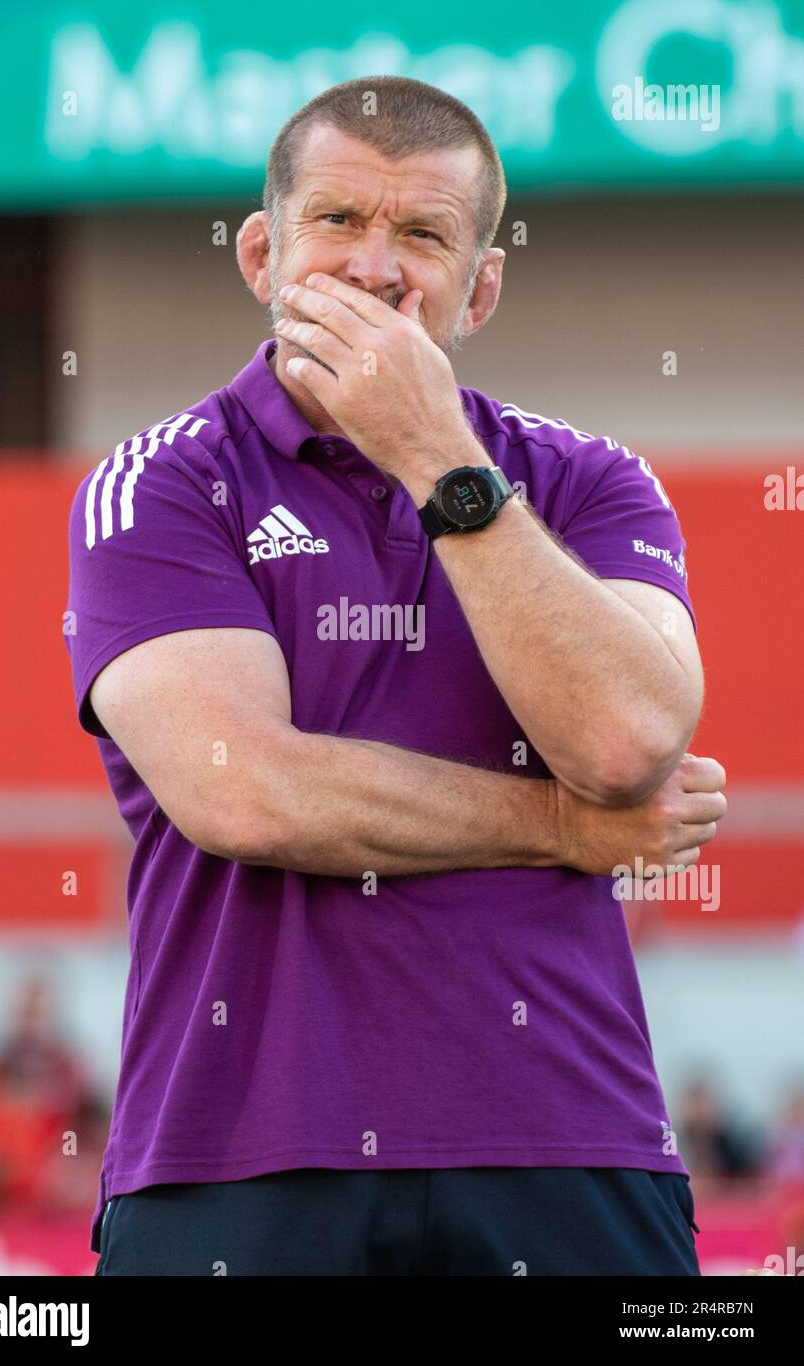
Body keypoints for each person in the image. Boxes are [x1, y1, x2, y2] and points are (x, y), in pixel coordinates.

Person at [64, 76, 726, 1276]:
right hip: (236, 1157)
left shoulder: (590, 480)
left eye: (422, 234)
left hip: (568, 1145)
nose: (376, 269)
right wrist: (559, 825)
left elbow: (628, 741)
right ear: (262, 253)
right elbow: (244, 789)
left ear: (479, 284)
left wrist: (433, 451)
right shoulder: (156, 484)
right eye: (336, 222)